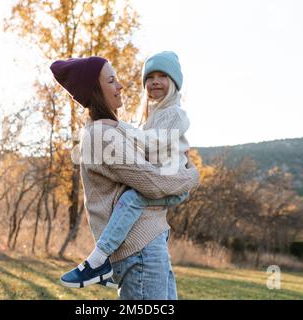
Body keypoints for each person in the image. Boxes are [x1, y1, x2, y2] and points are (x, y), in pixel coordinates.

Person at [50, 56, 199, 299]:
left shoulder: (111, 130)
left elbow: (152, 160)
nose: (120, 86)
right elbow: (152, 182)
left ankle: (99, 261)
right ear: (95, 90)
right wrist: (192, 177)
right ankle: (98, 262)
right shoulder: (102, 134)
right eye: (111, 81)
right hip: (140, 250)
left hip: (149, 243)